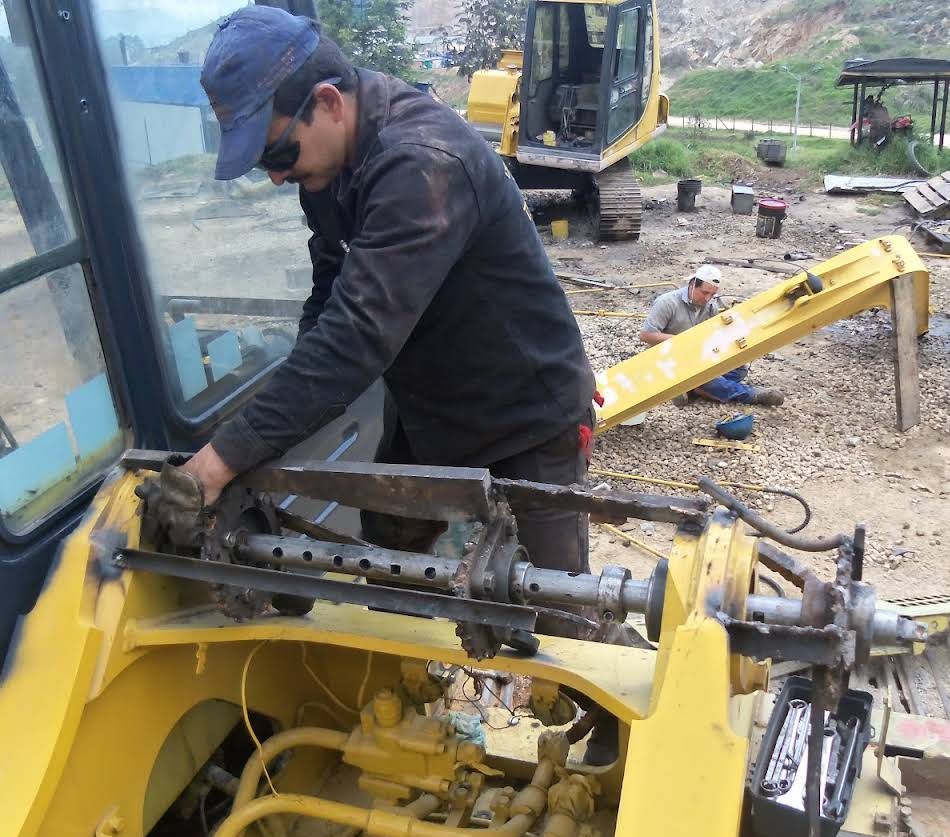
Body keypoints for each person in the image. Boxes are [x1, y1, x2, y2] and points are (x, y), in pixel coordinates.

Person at [156, 7, 616, 763]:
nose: (276, 175)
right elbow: (331, 293)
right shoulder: (329, 166)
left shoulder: (420, 165)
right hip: (430, 402)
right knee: (385, 564)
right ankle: (404, 723)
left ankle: (625, 745)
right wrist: (285, 413)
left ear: (328, 102)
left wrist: (217, 461)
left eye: (277, 151)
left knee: (562, 605)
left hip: (526, 411)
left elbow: (357, 337)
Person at [639, 265, 784, 407]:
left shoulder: (710, 306)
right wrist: (683, 341)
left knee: (739, 370)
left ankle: (691, 389)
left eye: (712, 295)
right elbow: (646, 335)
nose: (707, 298)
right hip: (669, 361)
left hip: (696, 359)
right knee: (707, 380)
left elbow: (712, 337)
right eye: (704, 293)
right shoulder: (667, 302)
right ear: (692, 284)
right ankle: (752, 395)